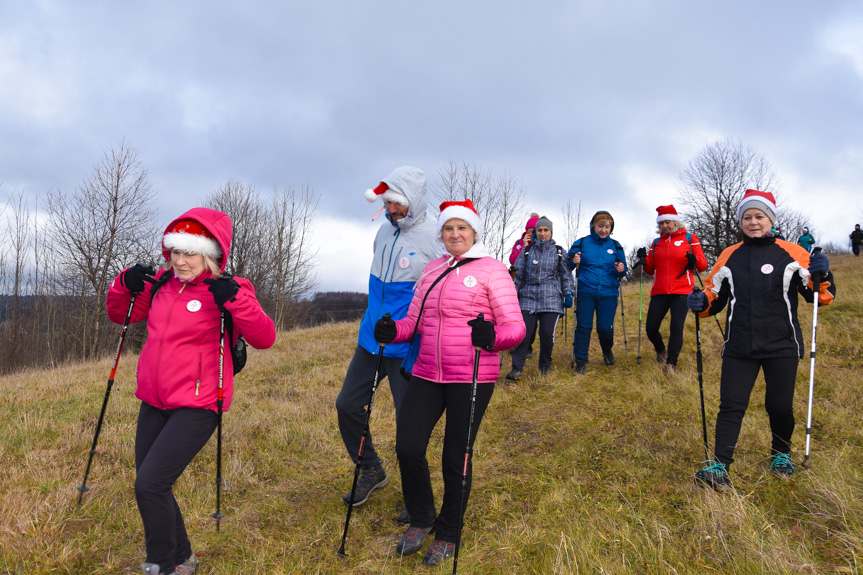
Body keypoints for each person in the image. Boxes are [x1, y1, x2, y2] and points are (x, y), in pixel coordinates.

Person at [106, 208, 277, 575]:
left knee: (150, 485)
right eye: (175, 252)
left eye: (190, 253)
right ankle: (183, 558)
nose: (181, 261)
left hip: (199, 405)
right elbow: (121, 314)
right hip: (153, 400)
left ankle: (162, 565)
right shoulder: (161, 286)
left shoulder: (230, 289)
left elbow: (265, 337)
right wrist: (125, 282)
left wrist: (234, 299)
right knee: (153, 484)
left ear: (211, 255)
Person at [374, 199, 525, 566]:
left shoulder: (492, 271)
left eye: (462, 228)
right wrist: (393, 332)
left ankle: (448, 532)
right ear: (440, 234)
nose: (455, 234)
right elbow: (415, 324)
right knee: (407, 446)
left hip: (471, 375)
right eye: (448, 228)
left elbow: (515, 329)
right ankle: (421, 516)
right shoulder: (432, 269)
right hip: (427, 371)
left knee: (455, 456)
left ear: (474, 232)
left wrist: (492, 338)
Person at [687, 189, 835, 490]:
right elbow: (714, 296)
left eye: (759, 216)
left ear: (771, 220)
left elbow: (817, 295)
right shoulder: (730, 255)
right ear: (741, 221)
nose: (753, 222)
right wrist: (700, 303)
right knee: (731, 404)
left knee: (779, 405)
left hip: (781, 343)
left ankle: (781, 454)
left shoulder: (792, 252)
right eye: (747, 217)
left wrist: (824, 273)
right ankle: (720, 467)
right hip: (739, 344)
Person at [335, 167, 438, 519]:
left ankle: (416, 497)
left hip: (408, 344)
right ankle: (370, 469)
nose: (391, 210)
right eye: (388, 203)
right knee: (347, 405)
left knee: (408, 424)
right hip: (371, 339)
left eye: (397, 203)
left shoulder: (434, 237)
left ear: (413, 201)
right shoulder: (383, 232)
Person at [638, 205, 707, 373]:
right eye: (661, 224)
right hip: (660, 290)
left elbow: (703, 265)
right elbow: (649, 270)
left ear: (676, 222)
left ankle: (671, 364)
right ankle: (661, 349)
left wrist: (694, 260)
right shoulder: (656, 243)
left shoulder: (690, 239)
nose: (664, 226)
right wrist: (643, 260)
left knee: (676, 328)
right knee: (651, 328)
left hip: (682, 290)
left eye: (667, 222)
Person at [506, 215, 574, 380]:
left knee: (546, 334)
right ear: (535, 232)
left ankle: (544, 367)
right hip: (528, 297)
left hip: (551, 298)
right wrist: (512, 294)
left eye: (546, 230)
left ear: (551, 232)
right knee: (523, 334)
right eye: (539, 230)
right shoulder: (527, 251)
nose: (542, 233)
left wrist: (568, 293)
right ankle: (517, 368)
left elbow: (566, 276)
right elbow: (519, 275)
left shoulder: (559, 252)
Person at [567, 211, 627, 375]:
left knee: (605, 328)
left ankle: (607, 350)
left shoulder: (616, 245)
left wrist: (621, 269)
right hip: (586, 290)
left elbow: (623, 269)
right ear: (593, 226)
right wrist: (573, 260)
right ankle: (581, 361)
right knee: (584, 326)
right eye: (600, 226)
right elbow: (568, 264)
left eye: (607, 227)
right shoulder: (581, 243)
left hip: (608, 292)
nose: (603, 230)